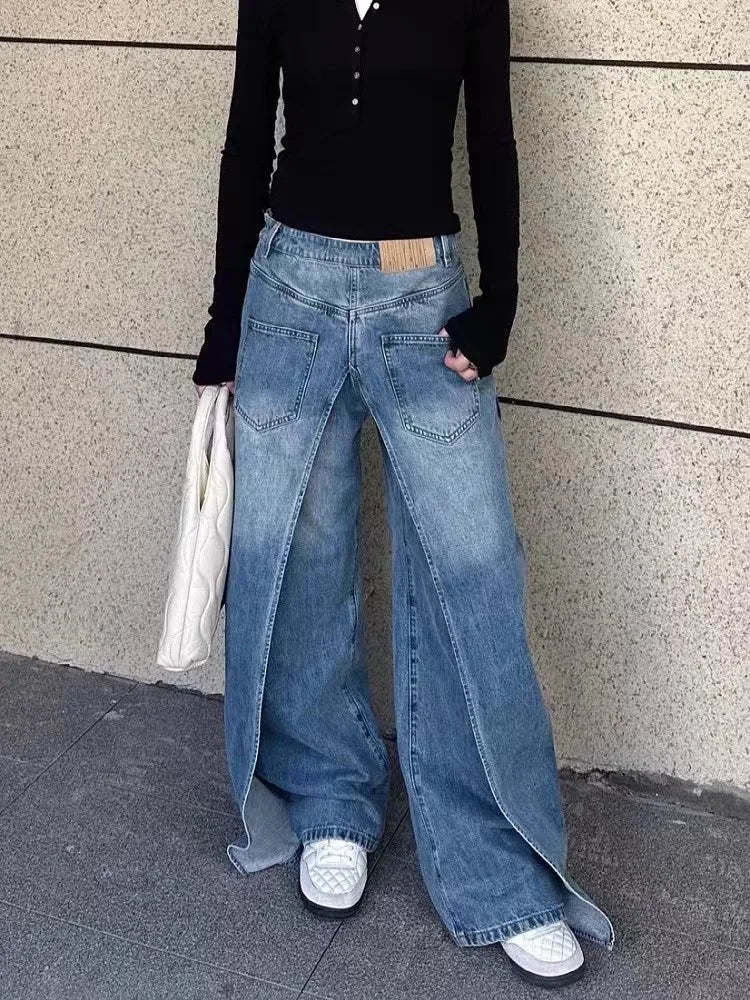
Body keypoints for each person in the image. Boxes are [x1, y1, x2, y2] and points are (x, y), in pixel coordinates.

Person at [192, 0, 614, 987]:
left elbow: (494, 136)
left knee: (474, 571)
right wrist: (224, 321)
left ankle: (500, 868)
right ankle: (329, 800)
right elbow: (247, 138)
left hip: (423, 298)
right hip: (288, 294)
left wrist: (500, 301)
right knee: (299, 559)